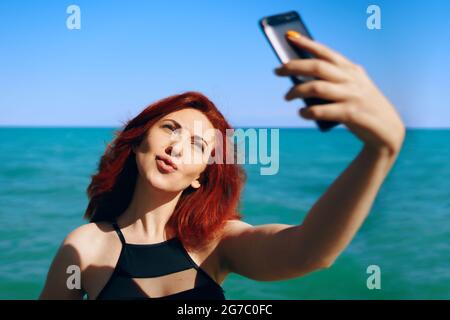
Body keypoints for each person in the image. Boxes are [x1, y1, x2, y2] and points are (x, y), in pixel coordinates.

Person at [39, 31, 405, 300]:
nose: (177, 146)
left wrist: (378, 153)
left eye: (198, 145)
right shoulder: (85, 246)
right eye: (170, 128)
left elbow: (309, 251)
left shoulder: (215, 241)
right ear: (138, 141)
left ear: (201, 176)